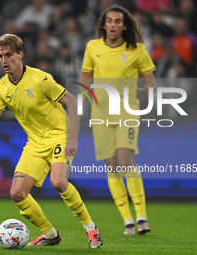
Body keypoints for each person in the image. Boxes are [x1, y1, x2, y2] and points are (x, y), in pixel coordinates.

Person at [0, 34, 103, 248]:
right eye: (0, 56)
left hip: (59, 135)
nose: (4, 60)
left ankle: (91, 229)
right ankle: (50, 234)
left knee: (58, 182)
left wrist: (73, 138)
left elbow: (72, 103)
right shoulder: (1, 88)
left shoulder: (40, 79)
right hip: (35, 143)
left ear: (20, 54)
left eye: (8, 55)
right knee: (17, 193)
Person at [79, 6, 157, 235]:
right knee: (111, 167)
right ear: (103, 25)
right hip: (101, 115)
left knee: (125, 161)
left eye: (117, 21)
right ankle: (128, 221)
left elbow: (151, 82)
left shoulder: (137, 50)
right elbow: (85, 80)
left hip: (127, 113)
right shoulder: (93, 47)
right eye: (109, 21)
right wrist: (78, 109)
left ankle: (141, 216)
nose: (113, 25)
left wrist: (148, 89)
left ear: (124, 25)